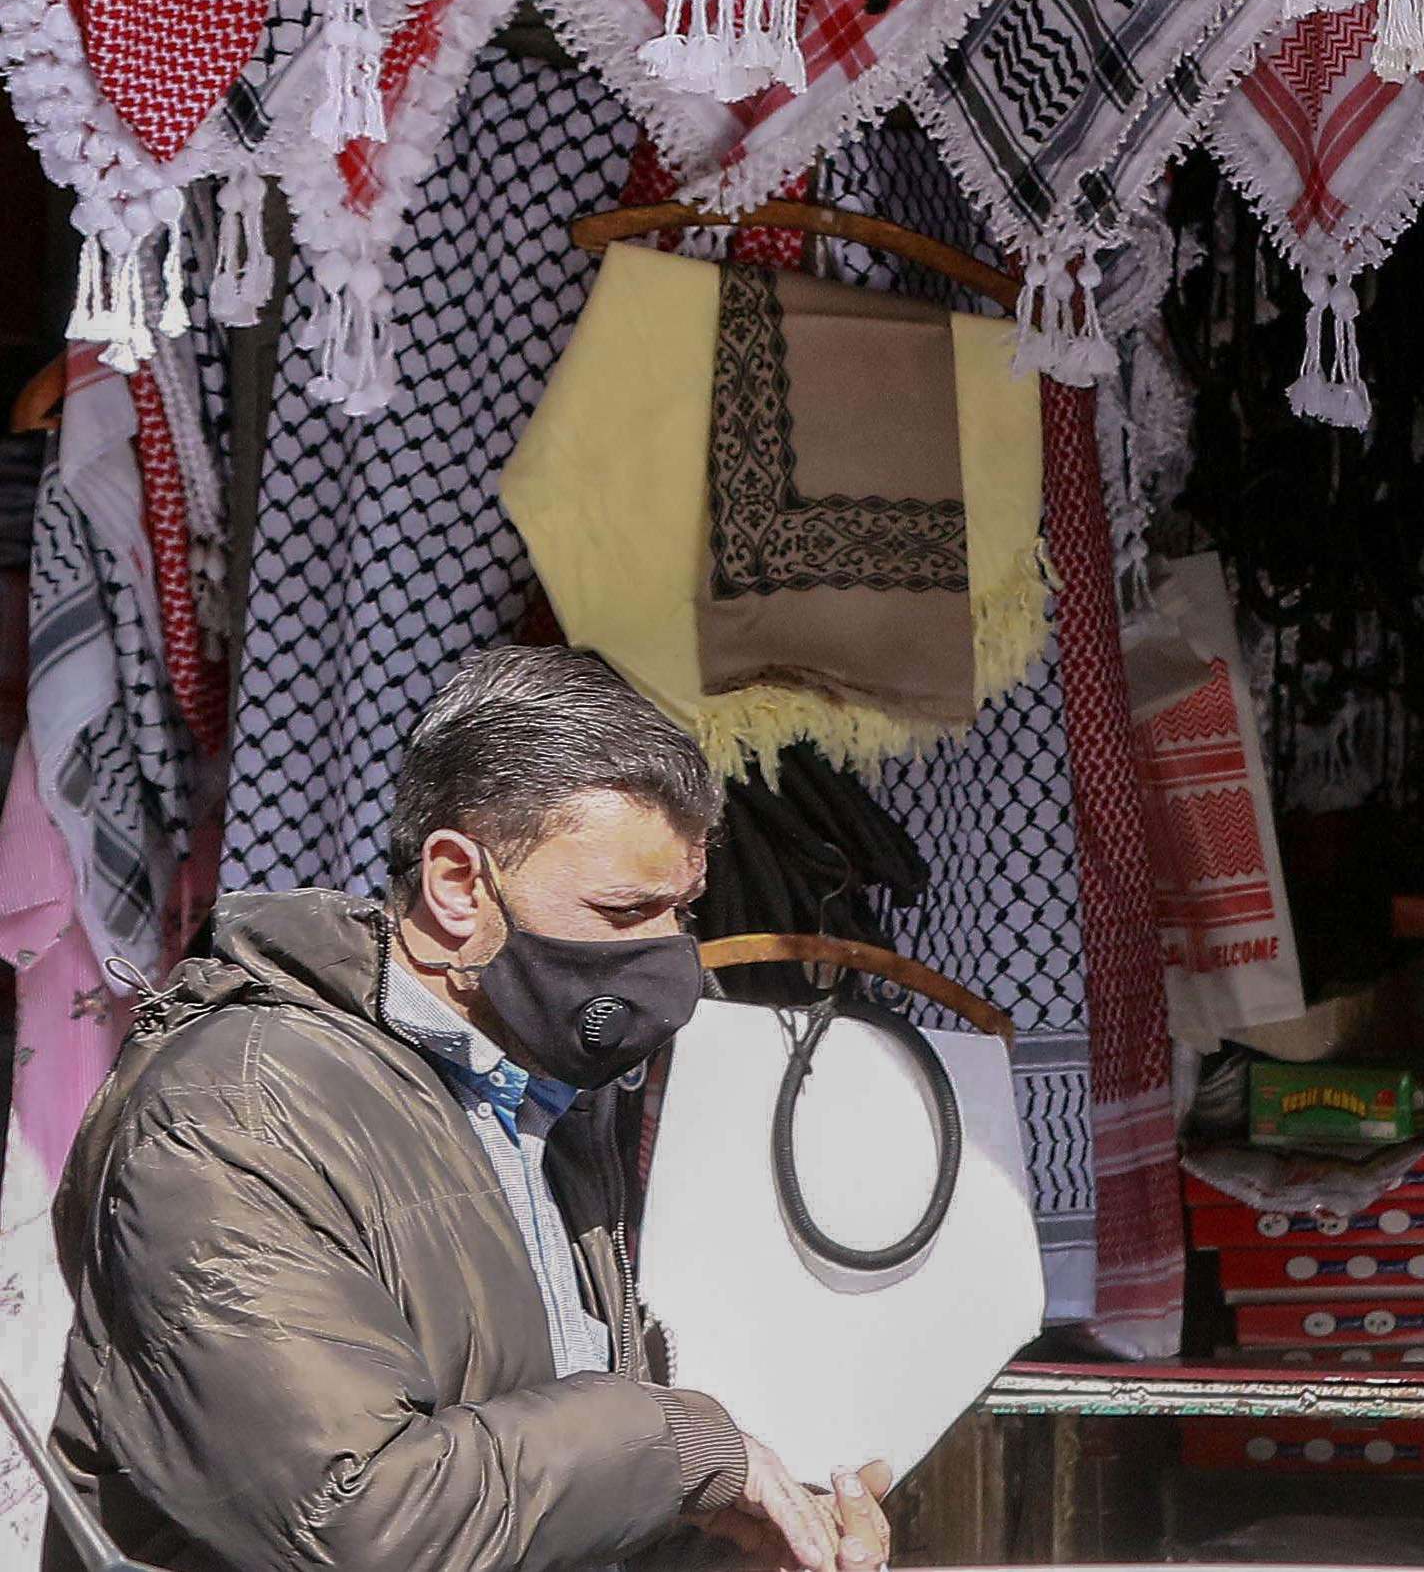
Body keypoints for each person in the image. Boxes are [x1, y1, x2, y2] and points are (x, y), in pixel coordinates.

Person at [49, 646, 891, 1572]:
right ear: (458, 884)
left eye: (680, 912)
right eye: (622, 912)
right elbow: (359, 1522)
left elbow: (540, 1503)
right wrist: (678, 1445)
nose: (667, 958)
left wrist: (762, 1546)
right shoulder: (238, 1111)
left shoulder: (547, 1101)